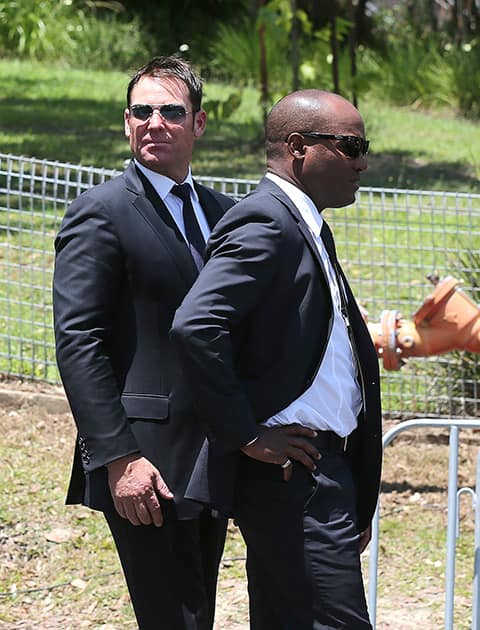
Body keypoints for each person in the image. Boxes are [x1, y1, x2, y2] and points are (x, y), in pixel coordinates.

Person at [170, 89, 383, 629]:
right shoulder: (269, 221)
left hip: (318, 473)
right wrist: (245, 433)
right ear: (298, 147)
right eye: (351, 146)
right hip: (296, 474)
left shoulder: (305, 225)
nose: (362, 161)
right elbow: (197, 324)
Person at [53, 56, 236, 630]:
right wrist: (117, 457)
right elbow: (78, 339)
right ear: (126, 122)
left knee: (197, 609)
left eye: (171, 111)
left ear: (199, 124)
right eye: (142, 110)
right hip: (145, 460)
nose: (154, 121)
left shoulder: (223, 214)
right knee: (172, 616)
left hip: (219, 452)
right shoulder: (100, 213)